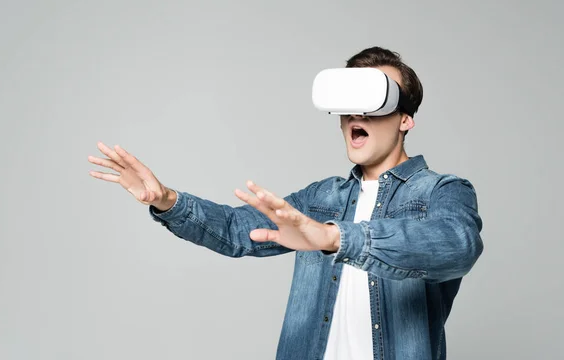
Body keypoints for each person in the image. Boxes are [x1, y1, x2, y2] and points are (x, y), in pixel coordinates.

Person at [88, 46, 484, 360]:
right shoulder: (321, 199)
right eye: (349, 102)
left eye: (374, 101)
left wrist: (334, 238)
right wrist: (167, 200)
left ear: (405, 119)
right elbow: (234, 230)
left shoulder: (442, 191)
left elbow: (455, 246)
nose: (355, 115)